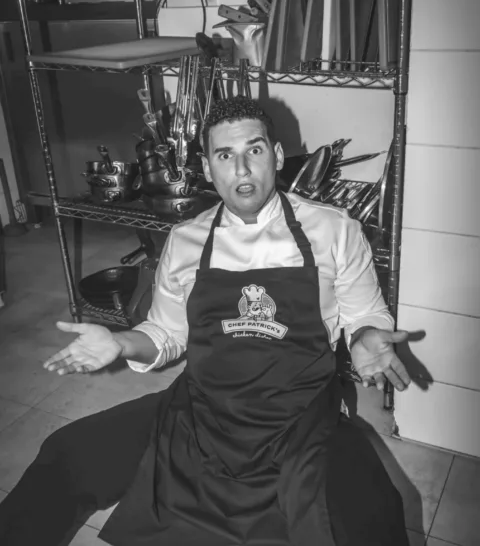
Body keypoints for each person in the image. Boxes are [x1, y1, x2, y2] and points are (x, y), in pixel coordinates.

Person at [0, 96, 412, 546]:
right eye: (225, 155)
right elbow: (165, 332)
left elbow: (364, 312)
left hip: (300, 419)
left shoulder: (334, 230)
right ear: (207, 167)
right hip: (201, 415)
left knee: (371, 511)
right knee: (69, 453)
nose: (242, 169)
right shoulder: (186, 240)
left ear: (276, 156)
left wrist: (367, 335)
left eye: (254, 150)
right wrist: (121, 343)